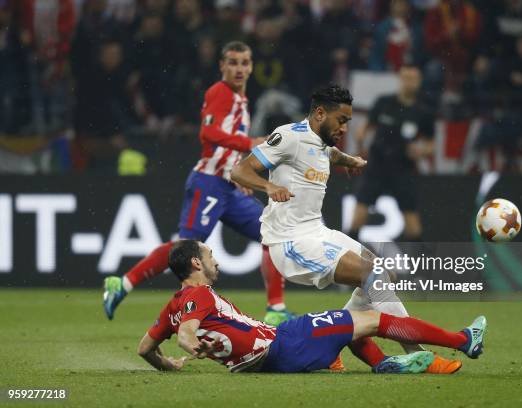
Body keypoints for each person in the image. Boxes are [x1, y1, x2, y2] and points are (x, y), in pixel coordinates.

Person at [230, 84, 464, 373]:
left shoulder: (321, 142)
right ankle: (419, 355)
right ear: (318, 113)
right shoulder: (289, 136)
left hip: (316, 232)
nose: (344, 127)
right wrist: (269, 186)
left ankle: (334, 338)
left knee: (384, 273)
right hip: (290, 243)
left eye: (348, 122)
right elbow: (240, 170)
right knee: (372, 274)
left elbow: (327, 153)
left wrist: (349, 160)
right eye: (341, 120)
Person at [103, 41, 293, 326]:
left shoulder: (241, 99)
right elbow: (209, 133)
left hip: (228, 186)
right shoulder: (220, 92)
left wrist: (238, 172)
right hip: (209, 183)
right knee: (186, 249)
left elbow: (226, 142)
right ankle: (123, 283)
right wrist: (250, 143)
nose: (239, 68)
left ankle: (276, 308)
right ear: (222, 66)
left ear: (252, 66)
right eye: (233, 62)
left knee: (274, 233)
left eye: (244, 63)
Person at [137, 240, 487, 373]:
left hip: (277, 345)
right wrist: (189, 343)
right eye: (210, 255)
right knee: (371, 318)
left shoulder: (173, 306)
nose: (216, 261)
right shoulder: (198, 295)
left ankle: (385, 365)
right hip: (282, 347)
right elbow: (186, 333)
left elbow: (144, 348)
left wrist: (167, 365)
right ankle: (462, 340)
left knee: (346, 325)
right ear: (196, 265)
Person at [349, 65, 434, 242]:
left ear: (419, 82)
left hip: (403, 169)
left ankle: (419, 267)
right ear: (400, 80)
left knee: (412, 224)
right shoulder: (384, 102)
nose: (410, 82)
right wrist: (360, 139)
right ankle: (346, 262)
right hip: (377, 165)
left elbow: (431, 144)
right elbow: (366, 125)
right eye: (406, 78)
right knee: (358, 217)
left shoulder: (423, 111)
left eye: (414, 79)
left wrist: (421, 151)